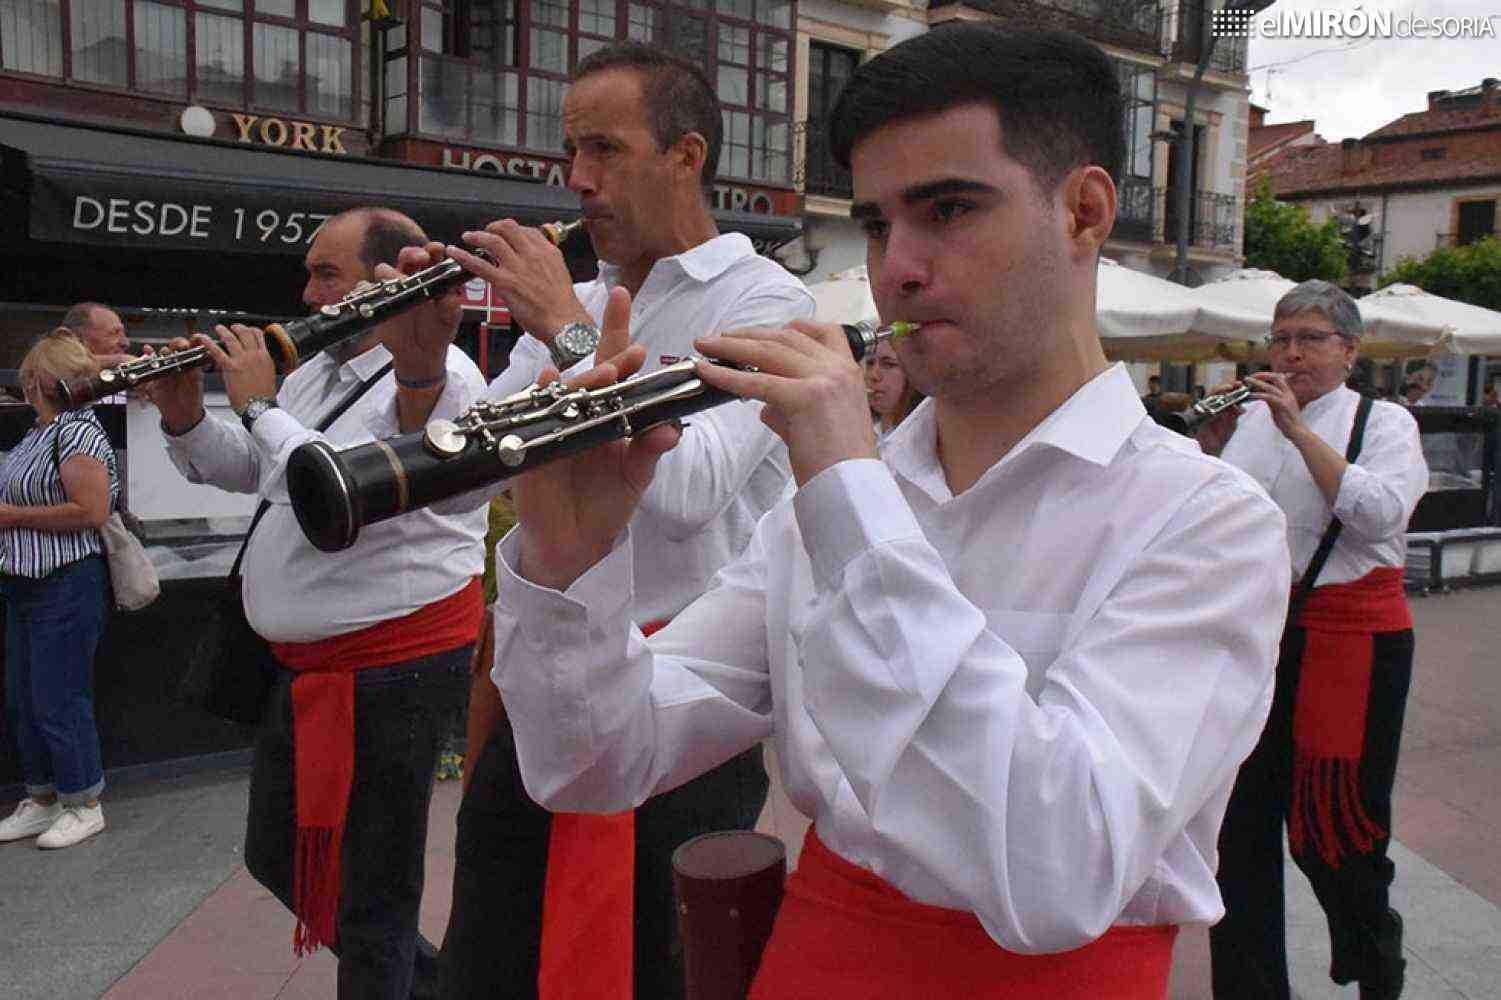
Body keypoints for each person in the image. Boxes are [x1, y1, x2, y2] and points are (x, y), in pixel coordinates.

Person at [489, 23, 1290, 997]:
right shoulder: (821, 512)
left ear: (1083, 212)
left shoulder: (1208, 517)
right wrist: (571, 562)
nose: (896, 267)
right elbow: (596, 764)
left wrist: (845, 485)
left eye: (948, 208)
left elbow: (1057, 869)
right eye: (876, 224)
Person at [436, 41, 814, 1000]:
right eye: (571, 153)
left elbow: (691, 495)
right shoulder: (592, 291)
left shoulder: (770, 297)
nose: (577, 181)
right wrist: (412, 369)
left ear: (685, 157)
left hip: (687, 707)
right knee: (488, 962)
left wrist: (568, 328)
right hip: (543, 686)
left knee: (653, 972)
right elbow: (461, 480)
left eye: (602, 150)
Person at [144, 207, 488, 999]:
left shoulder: (444, 382)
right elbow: (252, 473)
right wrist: (186, 415)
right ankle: (430, 984)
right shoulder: (315, 366)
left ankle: (401, 979)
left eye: (324, 274)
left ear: (383, 282)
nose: (306, 292)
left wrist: (262, 409)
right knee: (277, 854)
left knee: (372, 886)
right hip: (308, 664)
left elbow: (345, 492)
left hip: (391, 665)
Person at [1198, 280, 1427, 1000]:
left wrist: (1298, 430)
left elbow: (1379, 518)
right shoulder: (1254, 422)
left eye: (1308, 339)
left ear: (1348, 352)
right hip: (1263, 631)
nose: (1289, 353)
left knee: (1336, 832)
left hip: (1351, 639)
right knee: (1238, 829)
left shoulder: (1382, 424)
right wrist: (1203, 456)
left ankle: (1372, 950)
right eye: (1279, 338)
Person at [0, 331, 120, 850]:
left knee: (59, 698)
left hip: (66, 582)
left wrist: (11, 515)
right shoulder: (37, 433)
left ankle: (84, 801)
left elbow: (92, 512)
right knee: (24, 697)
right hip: (22, 582)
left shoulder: (76, 433)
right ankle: (43, 798)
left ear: (39, 381)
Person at [864, 336, 922, 439]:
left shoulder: (926, 433)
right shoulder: (858, 432)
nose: (874, 375)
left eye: (888, 365)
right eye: (870, 363)